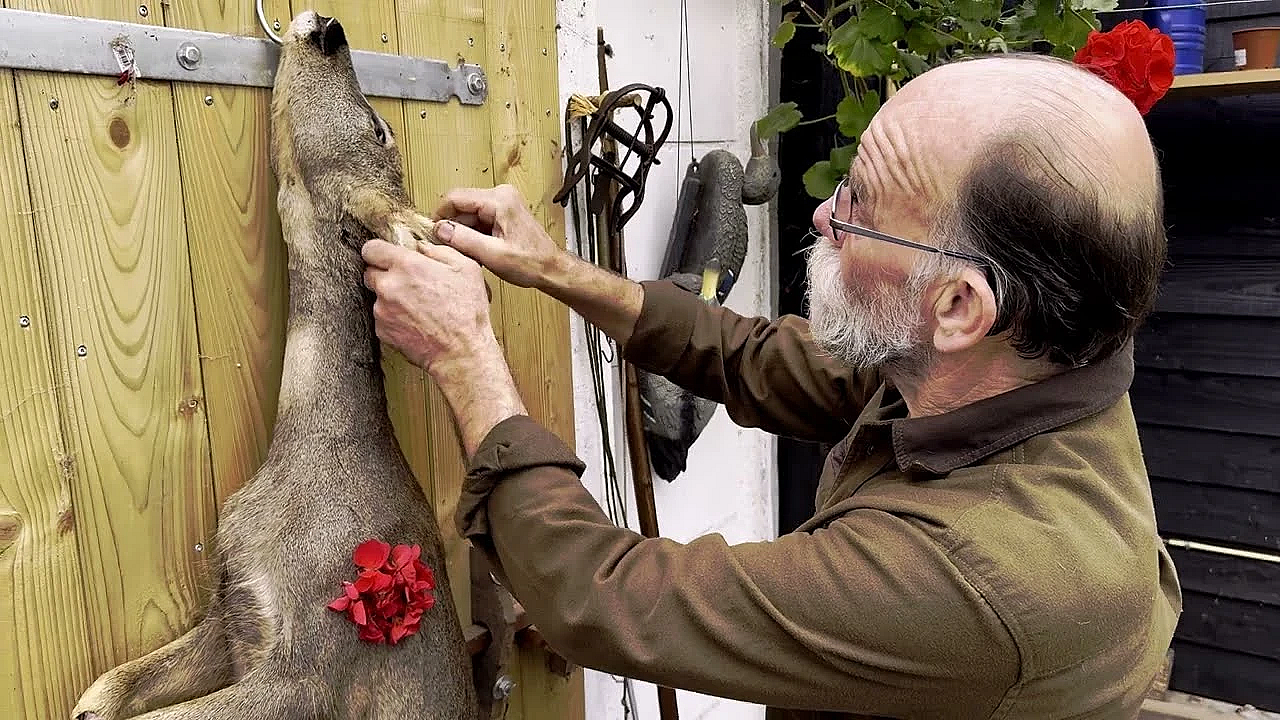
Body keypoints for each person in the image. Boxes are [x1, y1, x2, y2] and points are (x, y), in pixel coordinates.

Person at [360, 53, 1182, 719]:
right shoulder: (1030, 364)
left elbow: (602, 599)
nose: (823, 215)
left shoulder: (973, 581)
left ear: (960, 303)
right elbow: (757, 356)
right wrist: (555, 270)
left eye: (858, 209)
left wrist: (466, 356)